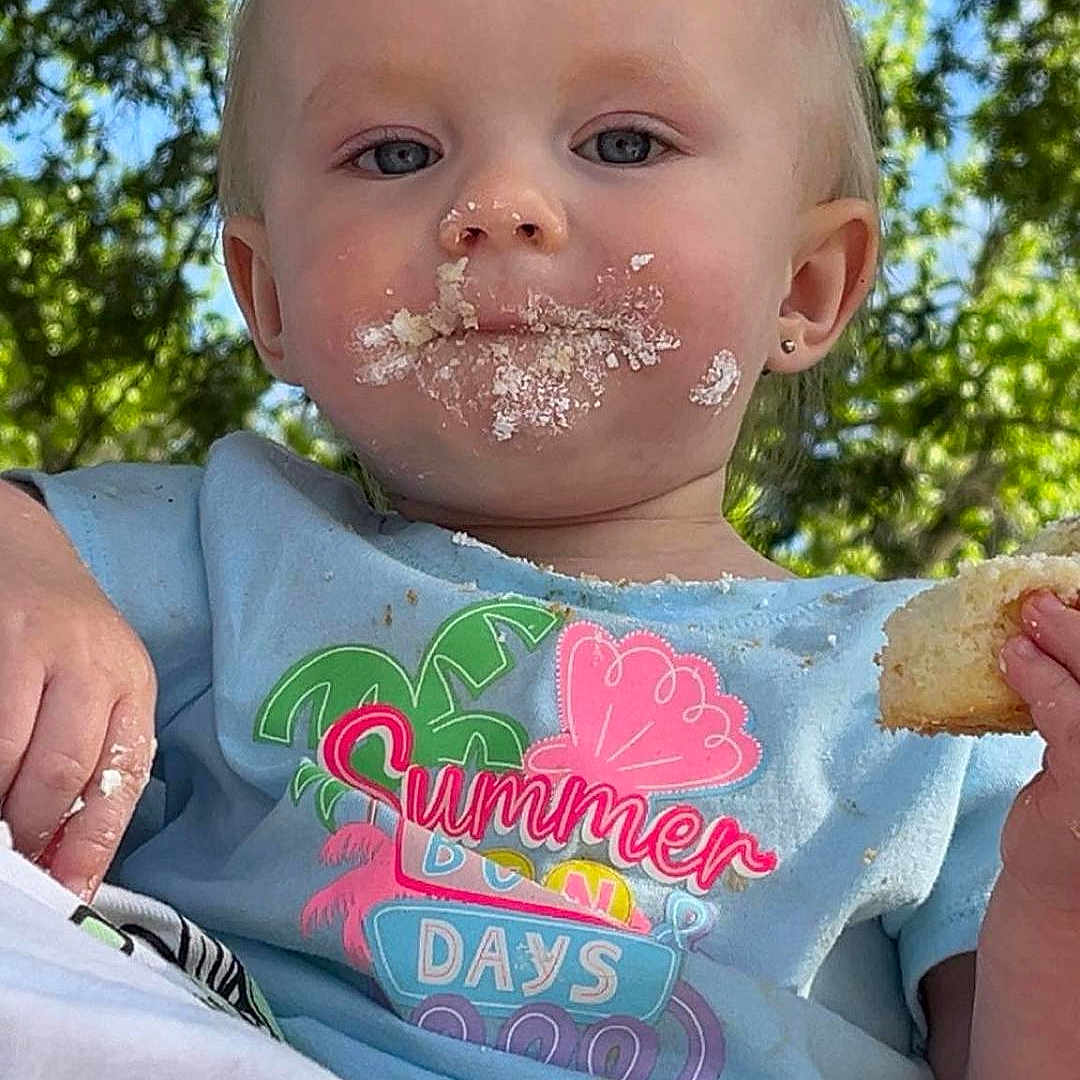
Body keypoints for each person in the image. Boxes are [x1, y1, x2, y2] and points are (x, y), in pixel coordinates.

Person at [0, 0, 1077, 1077]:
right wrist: (31, 571)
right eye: (394, 153)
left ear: (805, 282)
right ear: (268, 292)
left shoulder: (940, 719)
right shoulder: (219, 540)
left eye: (622, 143)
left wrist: (1061, 884)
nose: (496, 206)